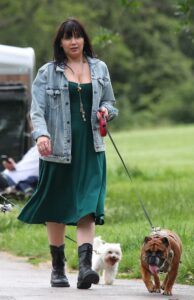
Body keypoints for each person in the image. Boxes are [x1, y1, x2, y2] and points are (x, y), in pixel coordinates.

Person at [18, 18, 118, 289]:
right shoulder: (48, 72)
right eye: (67, 37)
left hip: (91, 148)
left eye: (77, 36)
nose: (73, 41)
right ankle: (58, 268)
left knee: (87, 207)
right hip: (57, 148)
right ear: (60, 42)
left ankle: (85, 268)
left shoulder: (99, 68)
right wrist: (41, 134)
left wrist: (106, 112)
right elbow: (36, 110)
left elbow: (110, 101)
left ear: (84, 39)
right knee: (57, 206)